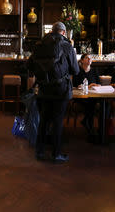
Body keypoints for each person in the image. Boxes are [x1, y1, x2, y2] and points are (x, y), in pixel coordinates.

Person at [27, 22, 79, 163]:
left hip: (43, 88)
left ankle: (40, 152)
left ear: (52, 31)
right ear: (63, 32)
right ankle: (56, 154)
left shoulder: (39, 45)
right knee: (57, 122)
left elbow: (29, 65)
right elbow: (75, 70)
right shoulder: (67, 46)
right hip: (61, 89)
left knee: (43, 120)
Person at [73, 54, 100, 135]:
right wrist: (89, 86)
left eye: (90, 58)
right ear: (82, 60)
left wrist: (96, 85)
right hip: (80, 96)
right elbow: (75, 85)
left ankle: (87, 122)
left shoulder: (94, 71)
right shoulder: (77, 71)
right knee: (91, 103)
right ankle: (89, 126)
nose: (89, 59)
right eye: (87, 58)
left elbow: (98, 83)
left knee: (94, 102)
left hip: (93, 95)